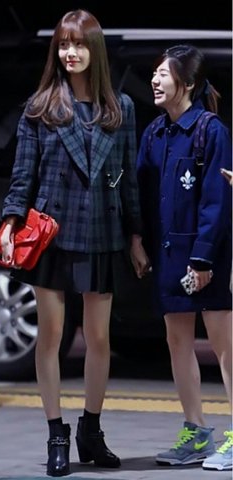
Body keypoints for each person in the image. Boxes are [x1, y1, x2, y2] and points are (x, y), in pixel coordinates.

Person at [0, 9, 148, 477]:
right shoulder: (40, 107)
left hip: (103, 230)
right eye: (64, 44)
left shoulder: (120, 108)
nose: (71, 52)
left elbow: (129, 182)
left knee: (99, 337)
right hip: (52, 231)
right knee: (51, 334)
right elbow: (23, 175)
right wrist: (10, 223)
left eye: (79, 44)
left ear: (95, 49)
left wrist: (136, 235)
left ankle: (91, 429)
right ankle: (56, 434)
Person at [136, 44, 232, 471]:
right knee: (177, 341)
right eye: (155, 73)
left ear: (188, 83)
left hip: (207, 255)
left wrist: (204, 260)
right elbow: (140, 193)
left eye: (164, 74)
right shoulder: (154, 133)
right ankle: (196, 431)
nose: (155, 80)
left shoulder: (211, 131)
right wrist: (137, 240)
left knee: (225, 346)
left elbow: (216, 202)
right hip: (169, 253)